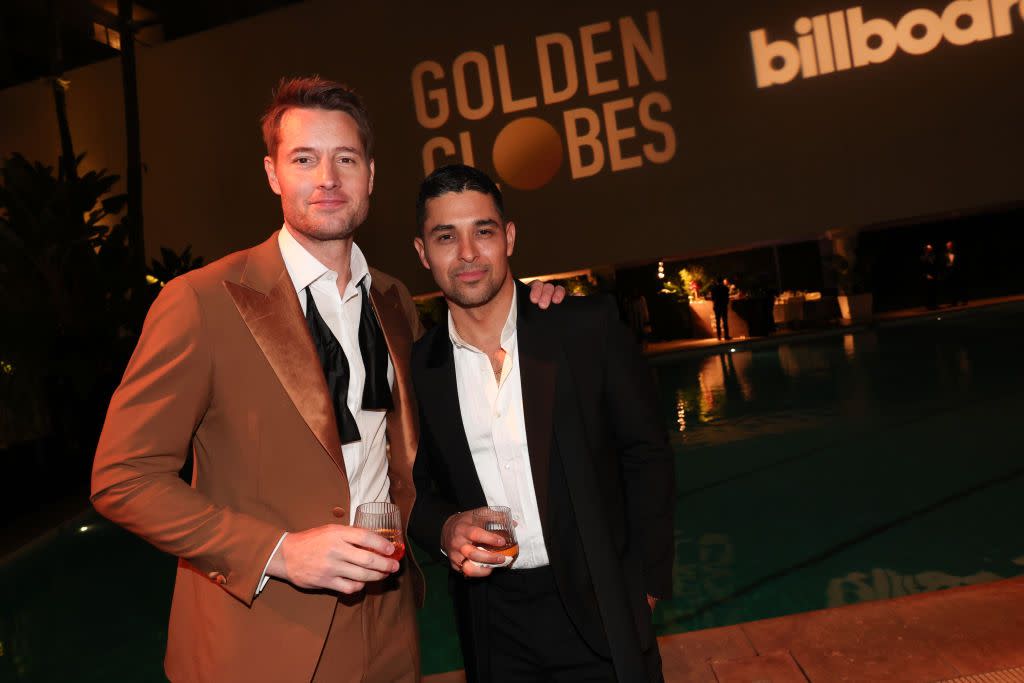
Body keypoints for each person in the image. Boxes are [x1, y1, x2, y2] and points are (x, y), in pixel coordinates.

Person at [90, 77, 561, 683]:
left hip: (389, 628)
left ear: (370, 174)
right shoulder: (202, 302)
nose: (328, 179)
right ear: (272, 174)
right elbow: (123, 478)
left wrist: (539, 310)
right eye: (304, 159)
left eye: (345, 159)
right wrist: (277, 553)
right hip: (260, 641)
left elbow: (409, 460)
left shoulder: (394, 301)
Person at [408, 164, 674, 682]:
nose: (467, 254)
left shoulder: (584, 327)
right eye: (446, 237)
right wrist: (444, 528)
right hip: (492, 620)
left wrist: (645, 582)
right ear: (422, 252)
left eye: (483, 231)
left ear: (508, 237)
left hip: (601, 604)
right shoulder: (420, 367)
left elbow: (646, 453)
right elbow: (413, 488)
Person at [943, 240, 967, 306]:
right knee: (952, 288)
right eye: (947, 246)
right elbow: (944, 264)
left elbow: (961, 263)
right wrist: (947, 266)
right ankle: (954, 302)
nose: (948, 247)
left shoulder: (958, 253)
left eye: (949, 246)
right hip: (950, 273)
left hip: (958, 273)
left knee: (960, 287)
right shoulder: (945, 255)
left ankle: (963, 300)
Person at [921, 243, 939, 309]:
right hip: (927, 276)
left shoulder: (934, 256)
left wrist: (936, 275)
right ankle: (929, 305)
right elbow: (922, 268)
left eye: (931, 249)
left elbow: (936, 266)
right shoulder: (923, 257)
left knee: (934, 291)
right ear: (926, 249)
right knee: (928, 292)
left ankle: (935, 304)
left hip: (934, 276)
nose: (930, 250)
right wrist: (926, 275)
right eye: (928, 249)